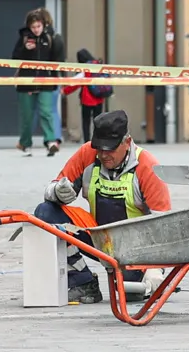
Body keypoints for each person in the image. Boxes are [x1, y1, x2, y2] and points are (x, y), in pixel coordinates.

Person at [35, 109, 172, 303]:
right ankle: (83, 282)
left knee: (129, 293)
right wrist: (56, 192)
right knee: (45, 213)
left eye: (110, 149)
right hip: (97, 237)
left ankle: (138, 278)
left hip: (134, 250)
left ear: (127, 142)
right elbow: (53, 188)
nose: (103, 154)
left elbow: (164, 225)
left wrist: (155, 269)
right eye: (99, 148)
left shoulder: (147, 167)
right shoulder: (87, 154)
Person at [12, 8, 64, 157]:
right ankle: (25, 143)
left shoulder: (50, 38)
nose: (36, 30)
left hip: (46, 81)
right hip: (26, 82)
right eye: (33, 27)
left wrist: (58, 79)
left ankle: (50, 141)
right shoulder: (24, 38)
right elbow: (14, 58)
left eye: (38, 26)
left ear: (43, 25)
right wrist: (25, 49)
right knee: (27, 116)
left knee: (46, 112)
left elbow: (57, 60)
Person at [65, 47, 115, 142]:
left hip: (87, 100)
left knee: (86, 121)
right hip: (99, 98)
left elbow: (75, 83)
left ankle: (87, 141)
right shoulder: (99, 65)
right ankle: (98, 139)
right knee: (98, 121)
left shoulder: (85, 69)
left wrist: (64, 91)